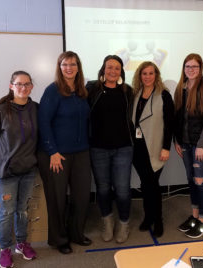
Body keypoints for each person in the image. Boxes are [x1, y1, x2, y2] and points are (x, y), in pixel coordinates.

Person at [37, 51, 91, 254]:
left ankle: (77, 233)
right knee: (58, 198)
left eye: (73, 64)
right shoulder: (53, 90)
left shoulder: (81, 91)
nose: (69, 68)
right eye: (65, 64)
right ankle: (60, 239)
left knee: (82, 196)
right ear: (59, 67)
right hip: (57, 155)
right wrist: (52, 151)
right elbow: (43, 121)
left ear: (78, 67)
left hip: (81, 153)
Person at [0, 71, 37, 268]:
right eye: (19, 84)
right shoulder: (1, 110)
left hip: (28, 169)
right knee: (7, 212)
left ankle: (21, 244)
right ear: (11, 86)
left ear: (31, 86)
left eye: (27, 84)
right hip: (6, 172)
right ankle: (5, 249)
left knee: (22, 210)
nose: (23, 87)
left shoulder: (35, 109)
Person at [86, 55, 133, 243]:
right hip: (98, 148)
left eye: (116, 68)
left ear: (121, 71)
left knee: (122, 189)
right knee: (103, 189)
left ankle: (123, 223)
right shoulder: (92, 89)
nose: (113, 71)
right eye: (109, 67)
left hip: (123, 148)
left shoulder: (127, 91)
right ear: (103, 69)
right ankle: (107, 221)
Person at [174, 54, 203, 238]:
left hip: (200, 145)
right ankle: (195, 216)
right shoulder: (181, 88)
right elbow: (178, 118)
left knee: (200, 181)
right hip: (185, 143)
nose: (191, 69)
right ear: (183, 68)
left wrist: (201, 145)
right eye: (188, 66)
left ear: (201, 68)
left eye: (195, 67)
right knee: (191, 180)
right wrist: (177, 140)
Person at [132, 61, 174, 237]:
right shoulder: (136, 94)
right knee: (145, 184)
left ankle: (158, 220)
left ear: (156, 75)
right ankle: (148, 217)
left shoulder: (164, 95)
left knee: (153, 186)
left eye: (151, 73)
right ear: (139, 76)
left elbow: (170, 124)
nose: (147, 77)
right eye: (144, 73)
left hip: (156, 147)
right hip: (138, 148)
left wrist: (166, 148)